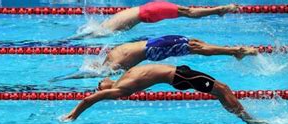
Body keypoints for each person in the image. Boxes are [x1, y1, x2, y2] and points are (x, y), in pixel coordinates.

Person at [61, 64, 268, 124]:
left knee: (222, 90)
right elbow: (89, 100)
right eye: (99, 87)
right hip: (179, 76)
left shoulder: (122, 78)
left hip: (180, 73)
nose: (100, 83)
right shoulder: (119, 89)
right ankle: (247, 119)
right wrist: (73, 114)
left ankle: (244, 115)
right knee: (222, 89)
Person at [52, 36, 258, 81]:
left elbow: (98, 73)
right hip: (155, 42)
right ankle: (235, 49)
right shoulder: (113, 52)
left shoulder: (114, 64)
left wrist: (65, 79)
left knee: (196, 49)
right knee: (194, 44)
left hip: (153, 49)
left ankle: (235, 51)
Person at [72, 2, 239, 38]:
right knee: (97, 33)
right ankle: (220, 10)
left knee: (96, 34)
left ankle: (220, 9)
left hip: (148, 10)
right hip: (147, 11)